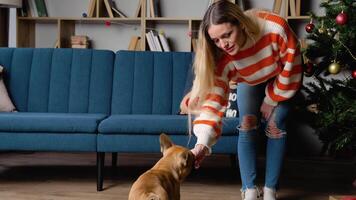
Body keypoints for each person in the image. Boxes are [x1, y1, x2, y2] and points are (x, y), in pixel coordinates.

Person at [188, 1, 302, 200]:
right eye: (216, 40)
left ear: (240, 23)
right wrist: (202, 144)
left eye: (227, 35)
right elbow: (214, 101)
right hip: (249, 79)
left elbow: (292, 64)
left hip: (281, 76)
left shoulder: (275, 28)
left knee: (275, 124)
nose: (223, 44)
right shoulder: (220, 56)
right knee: (247, 124)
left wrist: (271, 99)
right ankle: (249, 189)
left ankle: (270, 190)